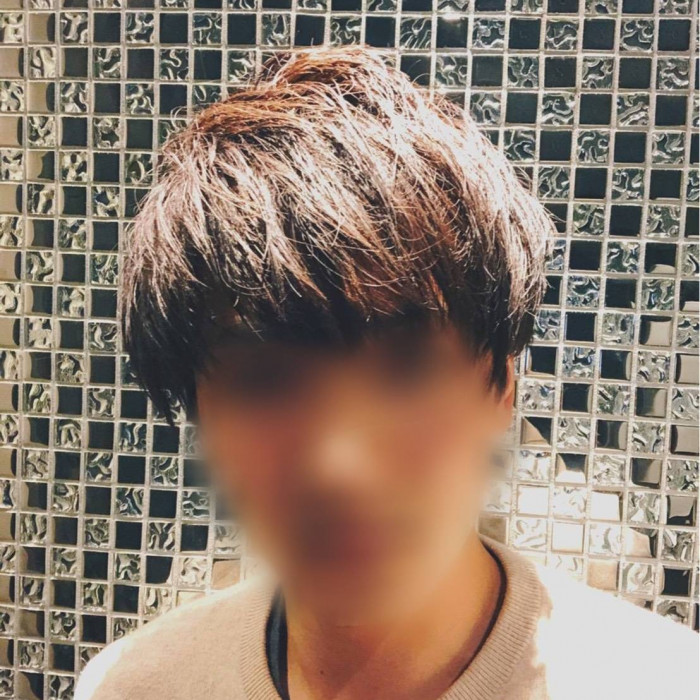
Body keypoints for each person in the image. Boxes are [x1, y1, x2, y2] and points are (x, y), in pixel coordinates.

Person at [75, 45, 698, 700]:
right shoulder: (136, 687)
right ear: (200, 414)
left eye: (409, 369)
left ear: (502, 387)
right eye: (266, 382)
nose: (341, 466)